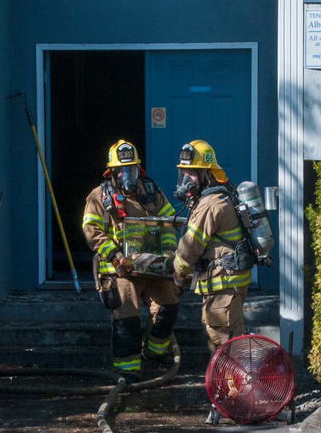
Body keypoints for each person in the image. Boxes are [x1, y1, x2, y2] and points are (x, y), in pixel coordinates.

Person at [81, 139, 179, 380]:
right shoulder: (98, 197)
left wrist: (168, 254)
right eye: (122, 171)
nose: (128, 176)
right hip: (120, 271)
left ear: (138, 170)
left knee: (169, 304)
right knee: (127, 317)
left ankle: (155, 352)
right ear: (112, 172)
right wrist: (116, 257)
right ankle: (128, 370)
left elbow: (169, 224)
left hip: (152, 267)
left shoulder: (151, 192)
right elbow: (91, 231)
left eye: (131, 170)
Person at [171, 139, 251, 354]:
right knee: (220, 342)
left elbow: (189, 248)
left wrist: (178, 276)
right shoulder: (217, 196)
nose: (186, 180)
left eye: (193, 174)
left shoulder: (210, 204)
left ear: (207, 174)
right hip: (223, 283)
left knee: (227, 344)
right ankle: (227, 386)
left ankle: (240, 387)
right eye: (184, 174)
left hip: (223, 284)